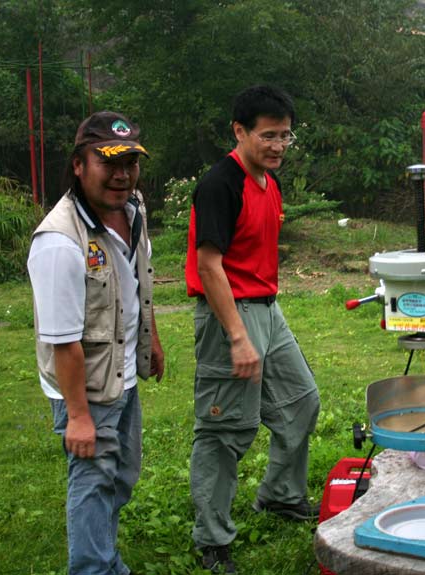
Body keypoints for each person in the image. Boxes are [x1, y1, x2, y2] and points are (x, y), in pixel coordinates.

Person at [184, 85, 321, 575]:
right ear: (239, 131)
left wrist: (260, 323)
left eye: (285, 136)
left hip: (267, 308)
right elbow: (209, 265)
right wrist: (238, 336)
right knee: (225, 430)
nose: (279, 145)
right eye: (268, 136)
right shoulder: (221, 184)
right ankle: (212, 540)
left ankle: (281, 494)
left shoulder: (270, 182)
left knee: (301, 401)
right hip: (228, 314)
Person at [28, 111, 165, 575]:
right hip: (84, 387)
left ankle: (106, 559)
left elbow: (136, 281)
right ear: (79, 165)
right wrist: (79, 417)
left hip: (121, 373)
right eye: (108, 162)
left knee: (121, 475)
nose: (122, 174)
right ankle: (93, 568)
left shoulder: (132, 209)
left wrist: (152, 338)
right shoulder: (59, 242)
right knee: (92, 481)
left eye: (131, 162)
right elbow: (63, 341)